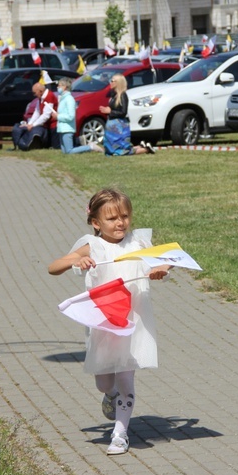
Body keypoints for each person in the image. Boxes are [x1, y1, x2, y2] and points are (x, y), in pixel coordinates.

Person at [48, 188, 169, 456]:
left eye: (125, 216)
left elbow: (168, 258)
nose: (120, 223)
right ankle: (109, 393)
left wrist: (161, 269)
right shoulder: (94, 246)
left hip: (134, 319)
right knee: (104, 382)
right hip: (103, 322)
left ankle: (120, 433)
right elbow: (53, 266)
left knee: (127, 375)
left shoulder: (138, 243)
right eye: (112, 218)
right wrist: (76, 261)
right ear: (96, 222)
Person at [99, 74, 154, 155]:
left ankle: (146, 149)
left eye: (112, 81)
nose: (110, 82)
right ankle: (140, 146)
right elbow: (114, 108)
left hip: (120, 127)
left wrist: (110, 112)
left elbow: (123, 112)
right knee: (111, 150)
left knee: (121, 151)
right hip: (111, 127)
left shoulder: (123, 95)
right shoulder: (113, 95)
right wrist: (107, 110)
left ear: (118, 83)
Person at [55, 76, 104, 154]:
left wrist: (58, 116)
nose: (58, 87)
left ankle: (90, 147)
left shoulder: (69, 99)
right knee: (65, 152)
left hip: (67, 129)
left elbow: (71, 116)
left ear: (65, 87)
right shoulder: (63, 98)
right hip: (62, 128)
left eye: (59, 85)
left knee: (69, 151)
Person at [11, 82, 58, 151]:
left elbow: (46, 115)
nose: (34, 95)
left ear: (41, 91)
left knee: (55, 146)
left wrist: (33, 125)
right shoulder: (41, 97)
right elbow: (37, 112)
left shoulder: (49, 96)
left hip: (54, 126)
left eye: (34, 93)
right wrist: (30, 124)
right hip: (47, 125)